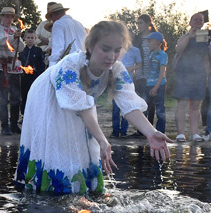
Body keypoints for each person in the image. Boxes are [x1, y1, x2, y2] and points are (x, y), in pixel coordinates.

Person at [15, 20, 170, 194]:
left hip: (82, 104)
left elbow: (129, 104)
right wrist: (102, 140)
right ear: (90, 46)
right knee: (59, 140)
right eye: (105, 49)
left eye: (117, 50)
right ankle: (53, 193)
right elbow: (81, 107)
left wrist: (150, 132)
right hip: (47, 97)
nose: (112, 56)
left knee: (84, 139)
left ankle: (83, 190)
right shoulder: (71, 65)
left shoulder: (116, 69)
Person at [171, 12, 209, 141]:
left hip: (199, 75)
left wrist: (207, 77)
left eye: (200, 20)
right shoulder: (184, 36)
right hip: (183, 74)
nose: (198, 22)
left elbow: (205, 58)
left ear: (203, 23)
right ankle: (180, 133)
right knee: (182, 103)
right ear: (190, 22)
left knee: (195, 105)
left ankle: (194, 133)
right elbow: (178, 49)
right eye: (195, 20)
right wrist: (190, 36)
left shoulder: (204, 37)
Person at [0, 7, 25, 136]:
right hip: (3, 66)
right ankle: (4, 126)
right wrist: (13, 37)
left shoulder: (15, 30)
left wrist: (17, 37)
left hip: (14, 66)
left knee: (16, 98)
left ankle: (14, 124)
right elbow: (1, 41)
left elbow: (21, 47)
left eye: (11, 17)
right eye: (6, 16)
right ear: (1, 17)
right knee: (4, 98)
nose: (9, 19)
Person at [46, 2, 87, 67]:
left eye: (51, 17)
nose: (52, 20)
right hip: (82, 64)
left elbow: (57, 50)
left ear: (53, 15)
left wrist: (51, 69)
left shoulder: (58, 24)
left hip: (68, 65)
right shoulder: (79, 24)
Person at [142, 32, 167, 133]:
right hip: (149, 84)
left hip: (159, 85)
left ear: (157, 42)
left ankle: (160, 131)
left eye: (149, 41)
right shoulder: (151, 54)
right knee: (144, 107)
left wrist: (156, 87)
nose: (148, 43)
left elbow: (162, 73)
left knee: (160, 109)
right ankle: (145, 130)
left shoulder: (163, 55)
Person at [17, 30, 46, 114]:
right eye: (28, 38)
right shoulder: (22, 50)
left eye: (32, 38)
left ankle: (33, 113)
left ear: (35, 38)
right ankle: (23, 114)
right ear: (25, 38)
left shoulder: (38, 50)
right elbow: (19, 62)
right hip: (23, 77)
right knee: (24, 96)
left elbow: (42, 64)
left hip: (34, 78)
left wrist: (36, 70)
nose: (30, 40)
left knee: (33, 96)